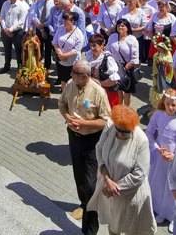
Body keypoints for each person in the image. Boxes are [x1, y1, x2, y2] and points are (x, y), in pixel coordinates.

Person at [58, 59, 112, 235]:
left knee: (90, 184)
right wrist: (68, 118)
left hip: (92, 141)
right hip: (74, 137)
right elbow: (62, 104)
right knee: (79, 176)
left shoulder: (98, 92)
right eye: (72, 72)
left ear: (86, 76)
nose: (71, 75)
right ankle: (84, 204)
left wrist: (84, 124)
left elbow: (105, 120)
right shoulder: (71, 85)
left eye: (75, 73)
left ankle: (90, 228)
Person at [88, 104, 156, 235]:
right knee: (113, 227)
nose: (120, 134)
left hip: (130, 196)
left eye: (125, 132)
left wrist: (114, 188)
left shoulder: (141, 140)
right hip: (109, 191)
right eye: (118, 130)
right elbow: (99, 150)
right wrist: (107, 180)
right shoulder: (110, 127)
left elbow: (140, 174)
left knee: (132, 228)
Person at [146, 88, 176, 229]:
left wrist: (175, 155)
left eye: (174, 105)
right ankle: (160, 210)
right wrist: (156, 147)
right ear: (164, 103)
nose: (171, 108)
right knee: (158, 183)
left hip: (174, 160)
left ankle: (174, 216)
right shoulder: (158, 115)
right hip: (159, 156)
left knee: (173, 188)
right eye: (168, 104)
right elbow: (149, 132)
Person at [107, 19, 139, 106]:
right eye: (118, 25)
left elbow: (135, 58)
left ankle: (126, 109)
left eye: (123, 25)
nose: (120, 27)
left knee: (127, 91)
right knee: (118, 90)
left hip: (127, 67)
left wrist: (126, 67)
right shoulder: (112, 37)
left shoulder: (132, 39)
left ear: (127, 28)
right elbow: (107, 50)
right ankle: (119, 108)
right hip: (114, 66)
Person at [0, 0, 29, 73]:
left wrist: (10, 30)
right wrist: (5, 28)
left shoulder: (22, 6)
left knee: (18, 50)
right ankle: (7, 66)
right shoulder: (5, 4)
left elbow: (21, 22)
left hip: (17, 31)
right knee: (7, 50)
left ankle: (19, 68)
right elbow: (2, 17)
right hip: (6, 30)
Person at [53, 11, 85, 86]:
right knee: (63, 81)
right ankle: (64, 96)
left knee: (72, 83)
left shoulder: (78, 33)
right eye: (64, 20)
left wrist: (64, 56)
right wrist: (59, 53)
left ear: (72, 21)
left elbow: (76, 50)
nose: (64, 22)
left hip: (73, 62)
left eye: (66, 20)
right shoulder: (60, 28)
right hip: (61, 61)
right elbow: (55, 42)